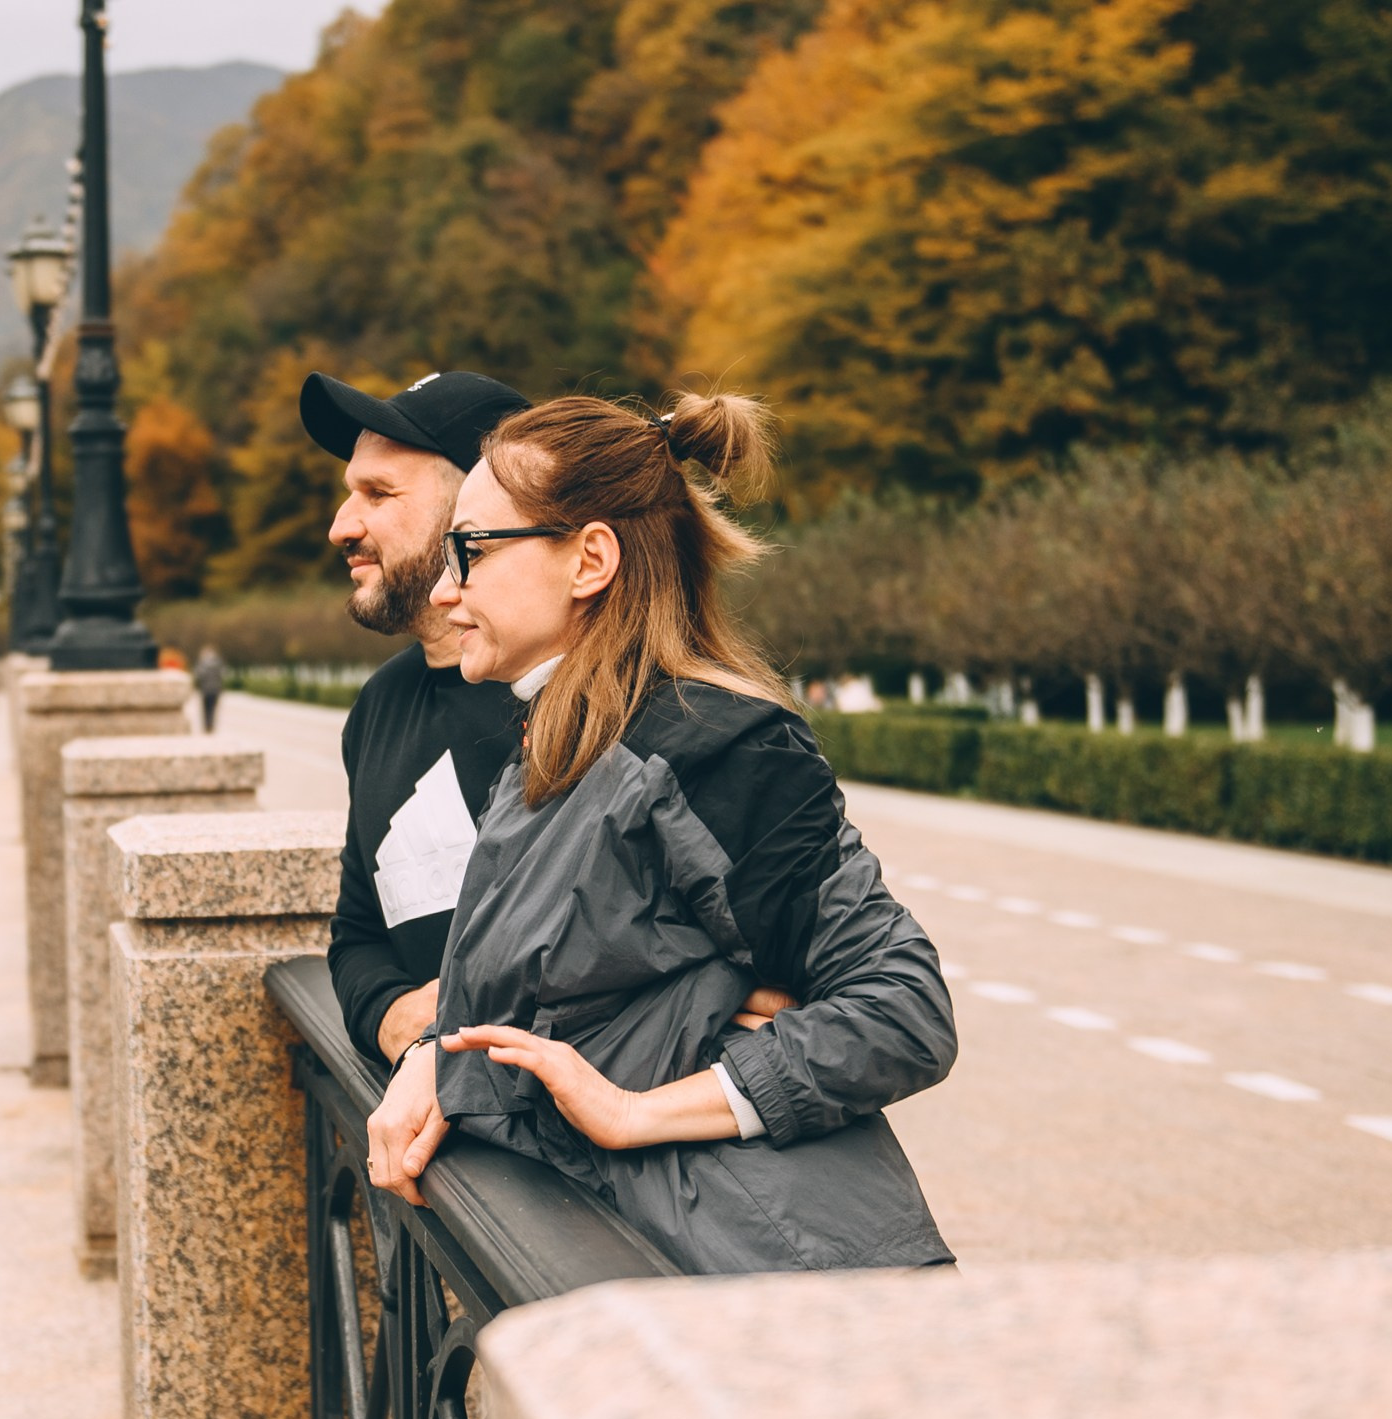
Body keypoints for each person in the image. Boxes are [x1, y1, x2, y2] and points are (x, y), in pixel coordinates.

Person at [364, 392, 958, 1274]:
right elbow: (550, 1011)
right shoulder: (560, 744)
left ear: (589, 560)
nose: (444, 588)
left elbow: (902, 1010)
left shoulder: (711, 747)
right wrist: (435, 1059)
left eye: (471, 550)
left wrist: (634, 1111)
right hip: (668, 1265)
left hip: (780, 1281)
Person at [300, 369, 532, 1065]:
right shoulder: (380, 706)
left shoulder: (593, 701)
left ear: (480, 508)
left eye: (378, 494)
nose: (341, 527)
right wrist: (391, 1018)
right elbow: (358, 934)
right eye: (350, 493)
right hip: (430, 1120)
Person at [194, 645, 226, 732]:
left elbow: (199, 675)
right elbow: (222, 674)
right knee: (213, 708)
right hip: (215, 689)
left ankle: (207, 725)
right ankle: (211, 724)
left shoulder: (202, 664)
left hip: (205, 689)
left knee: (205, 708)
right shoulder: (218, 663)